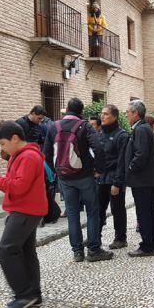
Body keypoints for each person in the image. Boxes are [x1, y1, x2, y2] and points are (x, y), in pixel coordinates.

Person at [0, 121, 46, 308]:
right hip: (25, 208)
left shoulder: (29, 157)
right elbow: (17, 183)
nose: (2, 148)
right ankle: (33, 293)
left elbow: (18, 187)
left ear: (15, 138)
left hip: (26, 210)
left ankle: (24, 295)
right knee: (25, 251)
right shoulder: (21, 156)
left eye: (2, 143)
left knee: (6, 250)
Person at [43, 98, 112, 263]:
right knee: (92, 211)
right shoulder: (85, 126)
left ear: (67, 109)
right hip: (85, 176)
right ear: (81, 112)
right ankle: (94, 250)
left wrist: (57, 171)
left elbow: (45, 153)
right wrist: (99, 170)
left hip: (65, 178)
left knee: (72, 214)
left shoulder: (54, 126)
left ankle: (77, 252)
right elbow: (98, 148)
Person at [124, 100, 154, 256]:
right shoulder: (145, 128)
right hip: (148, 179)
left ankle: (147, 245)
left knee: (144, 213)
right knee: (150, 212)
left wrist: (131, 168)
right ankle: (152, 244)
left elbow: (141, 154)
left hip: (142, 180)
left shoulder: (140, 129)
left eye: (128, 112)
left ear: (136, 113)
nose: (126, 115)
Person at [93, 105, 129, 250]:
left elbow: (122, 161)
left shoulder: (122, 136)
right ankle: (95, 237)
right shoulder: (100, 134)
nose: (102, 116)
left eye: (106, 114)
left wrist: (117, 183)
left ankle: (120, 237)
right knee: (98, 209)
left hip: (114, 178)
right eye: (101, 113)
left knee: (117, 209)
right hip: (101, 178)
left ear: (114, 117)